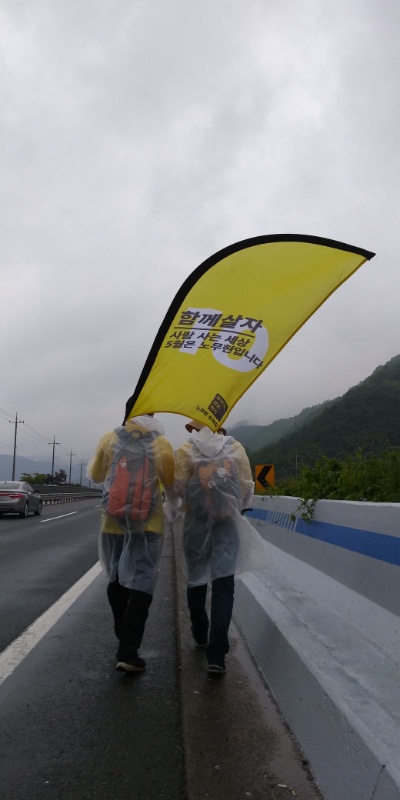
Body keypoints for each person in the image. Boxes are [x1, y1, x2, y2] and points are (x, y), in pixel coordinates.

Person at [87, 413, 175, 673]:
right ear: (151, 416)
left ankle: (122, 634)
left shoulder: (110, 438)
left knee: (115, 577)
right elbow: (170, 482)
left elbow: (95, 476)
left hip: (112, 521)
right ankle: (128, 650)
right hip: (148, 522)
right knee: (142, 581)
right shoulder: (160, 443)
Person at [173, 418, 254, 677]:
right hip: (227, 524)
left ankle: (200, 632)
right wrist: (231, 508)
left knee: (196, 580)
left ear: (195, 429)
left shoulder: (186, 450)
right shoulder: (236, 448)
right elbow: (247, 488)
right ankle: (217, 655)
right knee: (223, 584)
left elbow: (177, 489)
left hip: (196, 525)